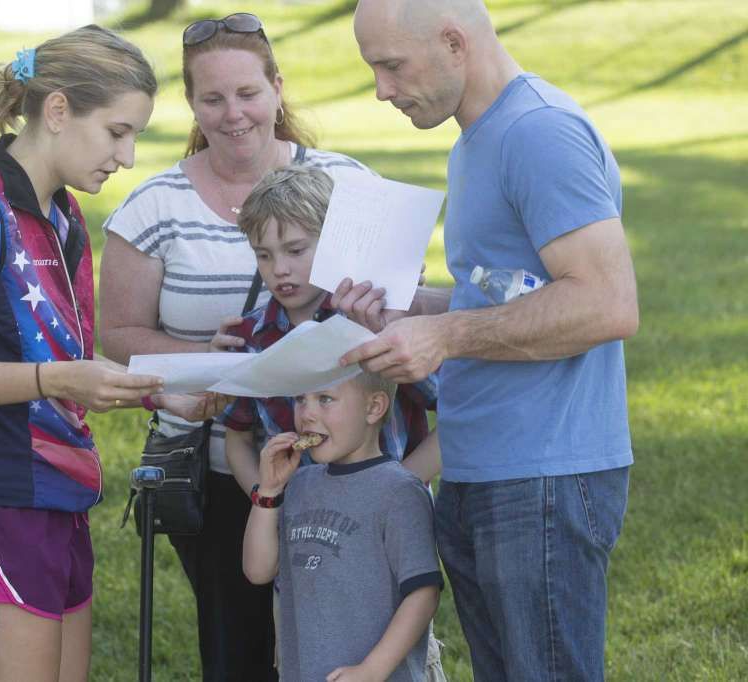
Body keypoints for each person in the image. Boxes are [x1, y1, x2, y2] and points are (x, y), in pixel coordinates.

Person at [0, 26, 220, 681]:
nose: (125, 157)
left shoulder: (62, 213)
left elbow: (55, 351)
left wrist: (160, 393)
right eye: (118, 131)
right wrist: (57, 377)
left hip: (56, 497)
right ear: (60, 111)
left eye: (135, 137)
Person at [343, 1, 640, 680]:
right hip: (483, 468)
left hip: (543, 475)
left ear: (454, 42)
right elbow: (513, 293)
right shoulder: (476, 139)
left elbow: (605, 302)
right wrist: (409, 310)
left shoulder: (538, 133)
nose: (382, 90)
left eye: (391, 66)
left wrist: (443, 333)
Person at [98, 13, 389, 680]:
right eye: (213, 98)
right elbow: (115, 333)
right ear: (192, 104)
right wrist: (204, 354)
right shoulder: (153, 206)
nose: (234, 114)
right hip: (225, 466)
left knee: (348, 642)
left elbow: (397, 305)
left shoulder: (345, 183)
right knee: (239, 649)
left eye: (249, 93)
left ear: (278, 88)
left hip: (349, 469)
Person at [222, 165, 440, 493]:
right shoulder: (250, 339)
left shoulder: (380, 322)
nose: (279, 269)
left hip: (391, 519)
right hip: (298, 524)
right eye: (263, 255)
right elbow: (237, 438)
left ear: (334, 242)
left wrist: (398, 487)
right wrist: (267, 498)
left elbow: (456, 414)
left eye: (296, 251)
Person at [243, 371, 444, 681]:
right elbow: (258, 570)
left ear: (374, 407)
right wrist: (268, 492)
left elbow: (423, 593)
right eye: (300, 399)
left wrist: (371, 670)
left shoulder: (398, 490)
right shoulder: (299, 485)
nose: (307, 414)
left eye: (325, 399)